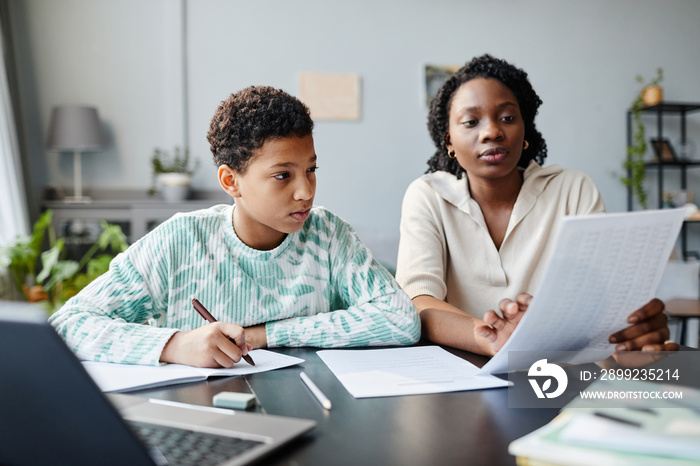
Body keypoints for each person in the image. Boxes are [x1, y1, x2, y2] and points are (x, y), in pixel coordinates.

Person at [50, 86, 420, 367]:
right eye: (282, 175)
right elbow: (68, 324)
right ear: (231, 181)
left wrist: (265, 336)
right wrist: (175, 345)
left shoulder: (328, 236)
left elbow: (401, 319)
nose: (305, 191)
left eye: (311, 170)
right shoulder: (179, 241)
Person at [395, 54, 677, 357]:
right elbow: (417, 303)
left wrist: (629, 338)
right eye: (471, 122)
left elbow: (598, 302)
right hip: (458, 374)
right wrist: (492, 339)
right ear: (448, 141)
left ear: (525, 130)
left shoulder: (572, 190)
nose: (492, 131)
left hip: (554, 373)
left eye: (507, 117)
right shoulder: (427, 195)